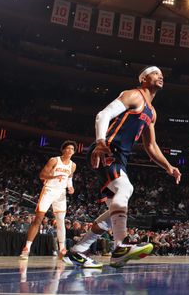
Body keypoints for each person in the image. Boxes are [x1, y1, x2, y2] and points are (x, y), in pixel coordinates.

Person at [67, 66, 181, 269]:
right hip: (108, 148)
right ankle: (121, 246)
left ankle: (78, 250)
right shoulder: (133, 95)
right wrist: (100, 141)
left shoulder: (152, 112)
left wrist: (169, 167)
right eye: (155, 73)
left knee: (114, 213)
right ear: (144, 78)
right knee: (125, 189)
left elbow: (151, 146)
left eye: (162, 74)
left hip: (121, 156)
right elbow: (103, 115)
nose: (160, 75)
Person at [20, 141, 77, 262]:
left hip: (61, 193)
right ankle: (27, 248)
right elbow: (42, 175)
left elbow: (70, 177)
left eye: (72, 149)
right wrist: (54, 177)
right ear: (63, 150)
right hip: (49, 190)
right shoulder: (54, 160)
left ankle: (62, 249)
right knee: (38, 219)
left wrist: (70, 186)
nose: (70, 150)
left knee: (61, 221)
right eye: (68, 148)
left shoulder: (73, 165)